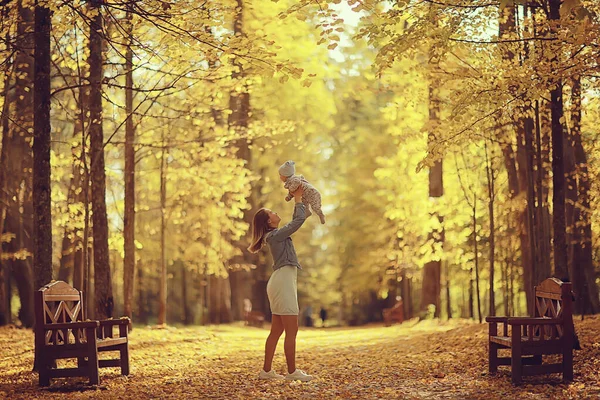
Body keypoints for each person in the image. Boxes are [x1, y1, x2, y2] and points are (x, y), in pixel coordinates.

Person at [248, 185, 313, 382]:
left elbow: (303, 216)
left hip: (281, 280)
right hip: (282, 282)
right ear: (269, 222)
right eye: (272, 213)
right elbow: (298, 221)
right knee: (292, 329)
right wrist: (298, 199)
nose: (276, 213)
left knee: (276, 330)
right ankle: (292, 372)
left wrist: (302, 197)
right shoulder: (275, 235)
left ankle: (267, 371)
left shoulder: (274, 235)